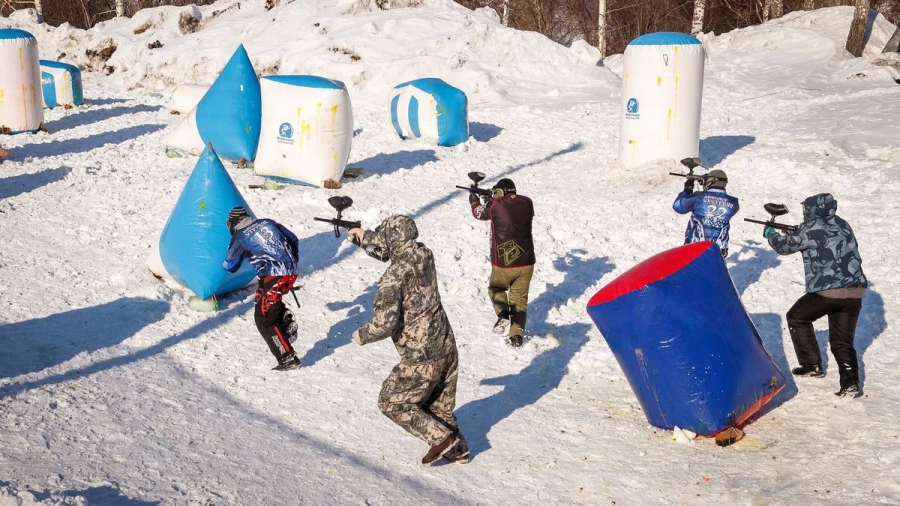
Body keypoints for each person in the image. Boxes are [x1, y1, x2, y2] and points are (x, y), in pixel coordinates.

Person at [347, 215, 469, 465]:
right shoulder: (424, 254)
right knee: (438, 406)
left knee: (391, 402)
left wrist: (362, 335)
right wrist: (364, 237)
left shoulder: (392, 277)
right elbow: (394, 250)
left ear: (391, 239)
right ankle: (459, 450)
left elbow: (385, 322)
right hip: (445, 343)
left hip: (420, 354)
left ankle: (441, 439)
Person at [765, 193, 868, 398]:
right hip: (855, 294)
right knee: (842, 342)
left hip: (827, 292)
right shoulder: (843, 224)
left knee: (797, 317)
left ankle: (811, 364)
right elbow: (822, 240)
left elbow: (784, 247)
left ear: (813, 210)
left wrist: (771, 233)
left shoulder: (810, 228)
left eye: (806, 210)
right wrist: (794, 232)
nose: (805, 213)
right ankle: (850, 384)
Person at [223, 206, 302, 371]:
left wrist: (240, 251)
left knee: (265, 318)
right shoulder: (268, 222)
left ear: (233, 223)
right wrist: (291, 264)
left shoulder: (239, 236)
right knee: (262, 303)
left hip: (274, 276)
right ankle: (284, 317)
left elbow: (229, 266)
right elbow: (293, 239)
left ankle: (287, 357)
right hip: (283, 274)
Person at [469, 178, 535, 347]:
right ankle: (516, 336)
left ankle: (503, 313)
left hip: (504, 262)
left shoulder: (494, 205)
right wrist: (492, 198)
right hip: (526, 261)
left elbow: (478, 213)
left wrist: (474, 199)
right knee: (519, 300)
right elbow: (510, 211)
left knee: (496, 288)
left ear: (499, 192)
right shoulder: (527, 203)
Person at [672, 169, 739, 257]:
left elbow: (678, 207)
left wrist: (687, 190)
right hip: (719, 250)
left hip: (695, 248)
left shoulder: (699, 197)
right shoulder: (734, 202)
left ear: (710, 181)